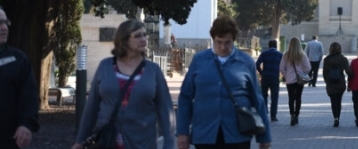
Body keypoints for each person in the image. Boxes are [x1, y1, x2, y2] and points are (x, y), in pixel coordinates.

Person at [74, 19, 174, 149]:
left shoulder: (153, 70)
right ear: (124, 39)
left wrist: (169, 144)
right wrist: (80, 140)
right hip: (107, 141)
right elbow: (92, 107)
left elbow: (166, 111)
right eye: (137, 36)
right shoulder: (105, 67)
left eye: (145, 35)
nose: (143, 39)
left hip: (142, 142)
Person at [177, 16, 271, 149]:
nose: (222, 47)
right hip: (205, 134)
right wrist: (182, 132)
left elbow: (257, 99)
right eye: (218, 42)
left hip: (237, 134)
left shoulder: (245, 62)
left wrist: (264, 136)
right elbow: (185, 97)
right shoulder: (199, 60)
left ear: (234, 40)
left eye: (227, 42)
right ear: (213, 39)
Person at [0, 7, 39, 149]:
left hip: (7, 140)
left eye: (6, 22)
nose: (4, 28)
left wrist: (26, 124)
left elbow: (29, 96)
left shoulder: (18, 60)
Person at [279, 37, 311, 126]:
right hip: (300, 80)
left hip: (289, 80)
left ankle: (292, 114)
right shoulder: (302, 55)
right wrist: (303, 73)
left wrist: (286, 75)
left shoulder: (286, 55)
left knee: (291, 98)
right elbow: (308, 68)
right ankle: (297, 115)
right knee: (298, 98)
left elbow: (281, 68)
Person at [321, 42, 352, 127]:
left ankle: (335, 117)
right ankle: (338, 116)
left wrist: (327, 81)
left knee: (333, 101)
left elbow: (324, 73)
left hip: (330, 83)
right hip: (340, 82)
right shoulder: (343, 59)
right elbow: (348, 71)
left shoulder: (327, 59)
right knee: (339, 101)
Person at [256, 39, 283, 122]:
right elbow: (283, 66)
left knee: (264, 95)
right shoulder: (280, 54)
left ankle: (264, 113)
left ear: (268, 46)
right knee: (274, 97)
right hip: (275, 77)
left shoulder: (264, 54)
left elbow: (257, 64)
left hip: (265, 77)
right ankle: (273, 116)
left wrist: (261, 72)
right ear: (276, 46)